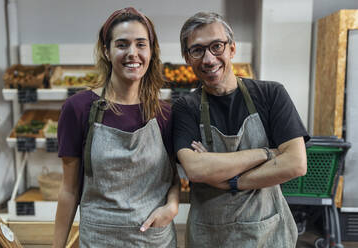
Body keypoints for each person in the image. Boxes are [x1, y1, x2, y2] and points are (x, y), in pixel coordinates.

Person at [173, 12, 310, 247]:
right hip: (210, 235)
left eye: (217, 46)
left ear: (232, 49)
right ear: (187, 58)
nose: (208, 59)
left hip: (267, 233)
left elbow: (296, 164)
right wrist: (267, 154)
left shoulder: (271, 94)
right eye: (197, 50)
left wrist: (230, 181)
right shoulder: (186, 107)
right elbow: (196, 169)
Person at [53, 7, 179, 248]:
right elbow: (69, 190)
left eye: (141, 44)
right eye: (122, 44)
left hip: (154, 240)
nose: (133, 53)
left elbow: (172, 178)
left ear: (151, 51)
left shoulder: (164, 113)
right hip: (100, 240)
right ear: (106, 51)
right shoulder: (78, 109)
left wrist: (172, 207)